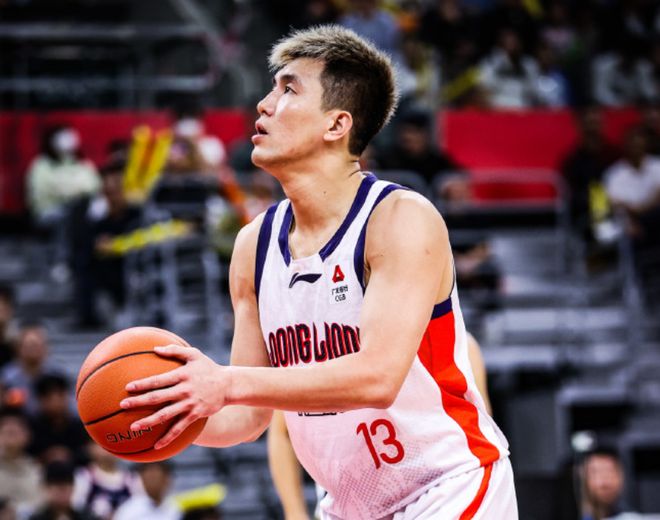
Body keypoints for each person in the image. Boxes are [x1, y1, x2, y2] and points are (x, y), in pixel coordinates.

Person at [120, 25, 517, 519]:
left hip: (447, 487)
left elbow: (377, 377)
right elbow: (246, 418)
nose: (264, 104)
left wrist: (225, 381)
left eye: (288, 89)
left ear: (336, 125)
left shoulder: (399, 219)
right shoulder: (253, 245)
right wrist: (165, 412)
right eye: (272, 88)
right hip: (350, 506)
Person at [267, 333, 493, 520]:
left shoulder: (460, 344)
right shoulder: (321, 344)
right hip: (347, 503)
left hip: (433, 494)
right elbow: (281, 431)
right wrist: (294, 513)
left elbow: (478, 428)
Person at [28, 374, 88, 466]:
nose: (56, 401)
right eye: (49, 397)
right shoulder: (31, 428)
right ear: (40, 400)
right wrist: (46, 456)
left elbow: (86, 453)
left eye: (60, 395)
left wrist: (69, 455)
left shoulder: (79, 426)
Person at [71, 441, 141, 519]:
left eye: (114, 444)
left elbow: (141, 508)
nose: (108, 451)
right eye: (103, 445)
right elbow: (76, 506)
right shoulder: (84, 476)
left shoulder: (132, 479)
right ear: (91, 448)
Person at [0, 408, 43, 515]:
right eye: (6, 431)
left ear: (27, 436)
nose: (10, 435)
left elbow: (41, 506)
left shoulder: (37, 470)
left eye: (15, 432)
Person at [29, 462, 98, 520]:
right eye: (58, 488)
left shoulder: (88, 517)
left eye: (65, 488)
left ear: (73, 488)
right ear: (46, 488)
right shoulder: (36, 518)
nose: (62, 494)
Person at [113, 462, 180, 520]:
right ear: (142, 478)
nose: (151, 478)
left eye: (155, 476)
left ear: (167, 479)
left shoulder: (176, 508)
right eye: (150, 476)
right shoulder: (128, 510)